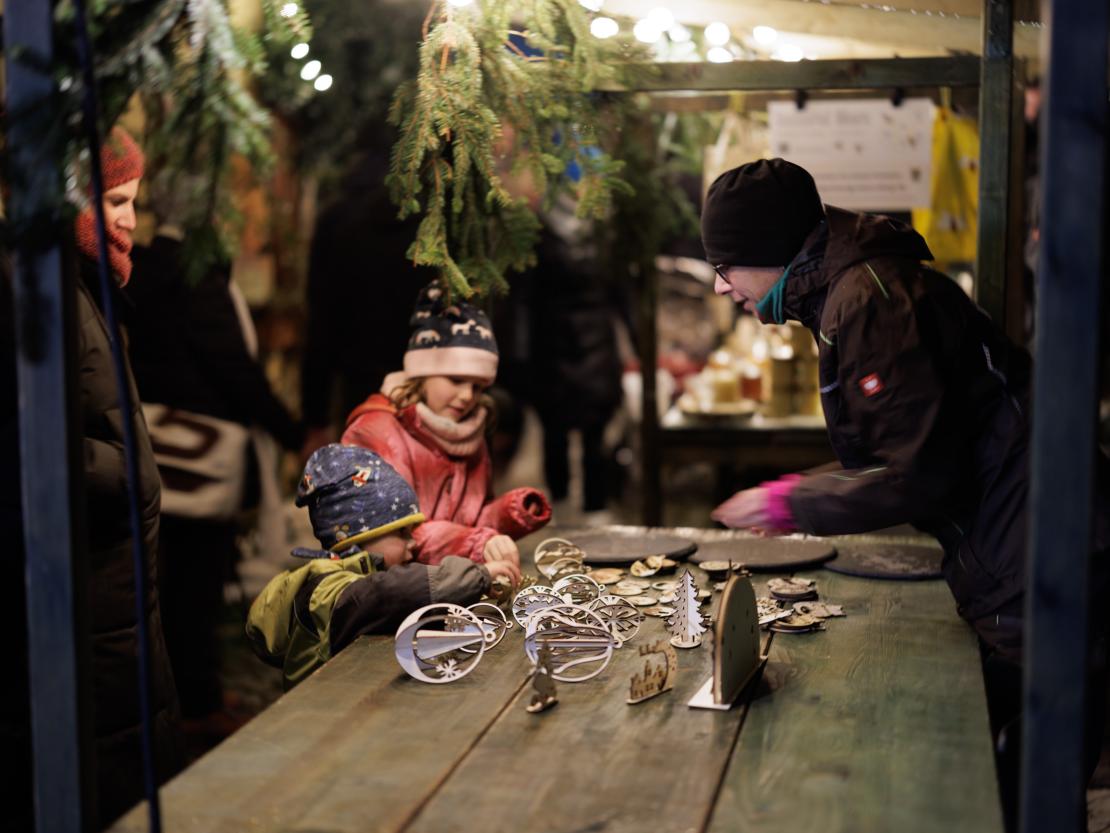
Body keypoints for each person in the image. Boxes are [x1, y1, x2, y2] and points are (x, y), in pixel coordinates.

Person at [701, 157, 1110, 828]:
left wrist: (789, 503)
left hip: (1037, 559)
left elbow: (918, 473)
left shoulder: (864, 301)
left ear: (769, 253)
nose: (721, 287)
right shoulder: (851, 287)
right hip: (1025, 542)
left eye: (726, 266)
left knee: (1022, 788)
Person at [1, 126, 183, 829]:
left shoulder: (76, 288)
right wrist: (128, 473)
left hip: (111, 599)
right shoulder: (37, 287)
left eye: (134, 200)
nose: (131, 219)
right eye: (114, 200)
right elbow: (29, 443)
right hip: (84, 603)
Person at [123, 228, 305, 739]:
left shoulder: (137, 269)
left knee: (167, 584)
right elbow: (232, 367)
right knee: (194, 588)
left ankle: (185, 696)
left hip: (154, 445)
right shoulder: (196, 274)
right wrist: (288, 429)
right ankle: (198, 704)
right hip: (203, 458)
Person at [246, 444, 518, 688]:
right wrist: (477, 575)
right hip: (320, 716)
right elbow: (389, 593)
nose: (412, 543)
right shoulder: (326, 589)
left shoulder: (360, 576)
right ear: (357, 537)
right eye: (402, 534)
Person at [342, 279, 551, 568]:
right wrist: (479, 542)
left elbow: (473, 520)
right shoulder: (377, 431)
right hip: (397, 592)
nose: (467, 397)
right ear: (422, 372)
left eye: (478, 387)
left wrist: (512, 512)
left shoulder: (469, 430)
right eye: (455, 380)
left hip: (452, 582)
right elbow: (400, 537)